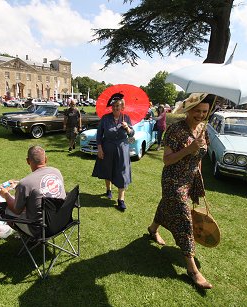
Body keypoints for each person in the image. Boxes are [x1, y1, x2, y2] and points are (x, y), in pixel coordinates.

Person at [147, 93, 213, 290]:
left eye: (204, 112)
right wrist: (189, 148)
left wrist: (198, 177)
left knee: (167, 205)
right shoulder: (175, 130)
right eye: (197, 111)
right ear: (189, 110)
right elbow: (167, 160)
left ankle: (152, 229)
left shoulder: (203, 128)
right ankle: (192, 268)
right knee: (184, 218)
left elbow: (200, 156)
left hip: (189, 178)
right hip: (173, 180)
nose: (200, 115)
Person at [0, 145, 66, 237]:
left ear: (27, 161)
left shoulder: (25, 184)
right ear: (46, 159)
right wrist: (19, 185)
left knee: (6, 210)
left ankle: (30, 239)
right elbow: (43, 187)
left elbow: (17, 210)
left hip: (39, 229)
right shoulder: (56, 172)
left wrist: (5, 194)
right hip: (61, 222)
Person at [91, 95, 134, 211]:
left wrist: (127, 128)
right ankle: (108, 190)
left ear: (122, 107)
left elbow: (132, 134)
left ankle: (121, 200)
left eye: (118, 106)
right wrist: (99, 148)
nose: (115, 108)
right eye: (114, 106)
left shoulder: (126, 118)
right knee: (107, 169)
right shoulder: (105, 118)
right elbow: (99, 134)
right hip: (107, 147)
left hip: (122, 148)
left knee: (122, 172)